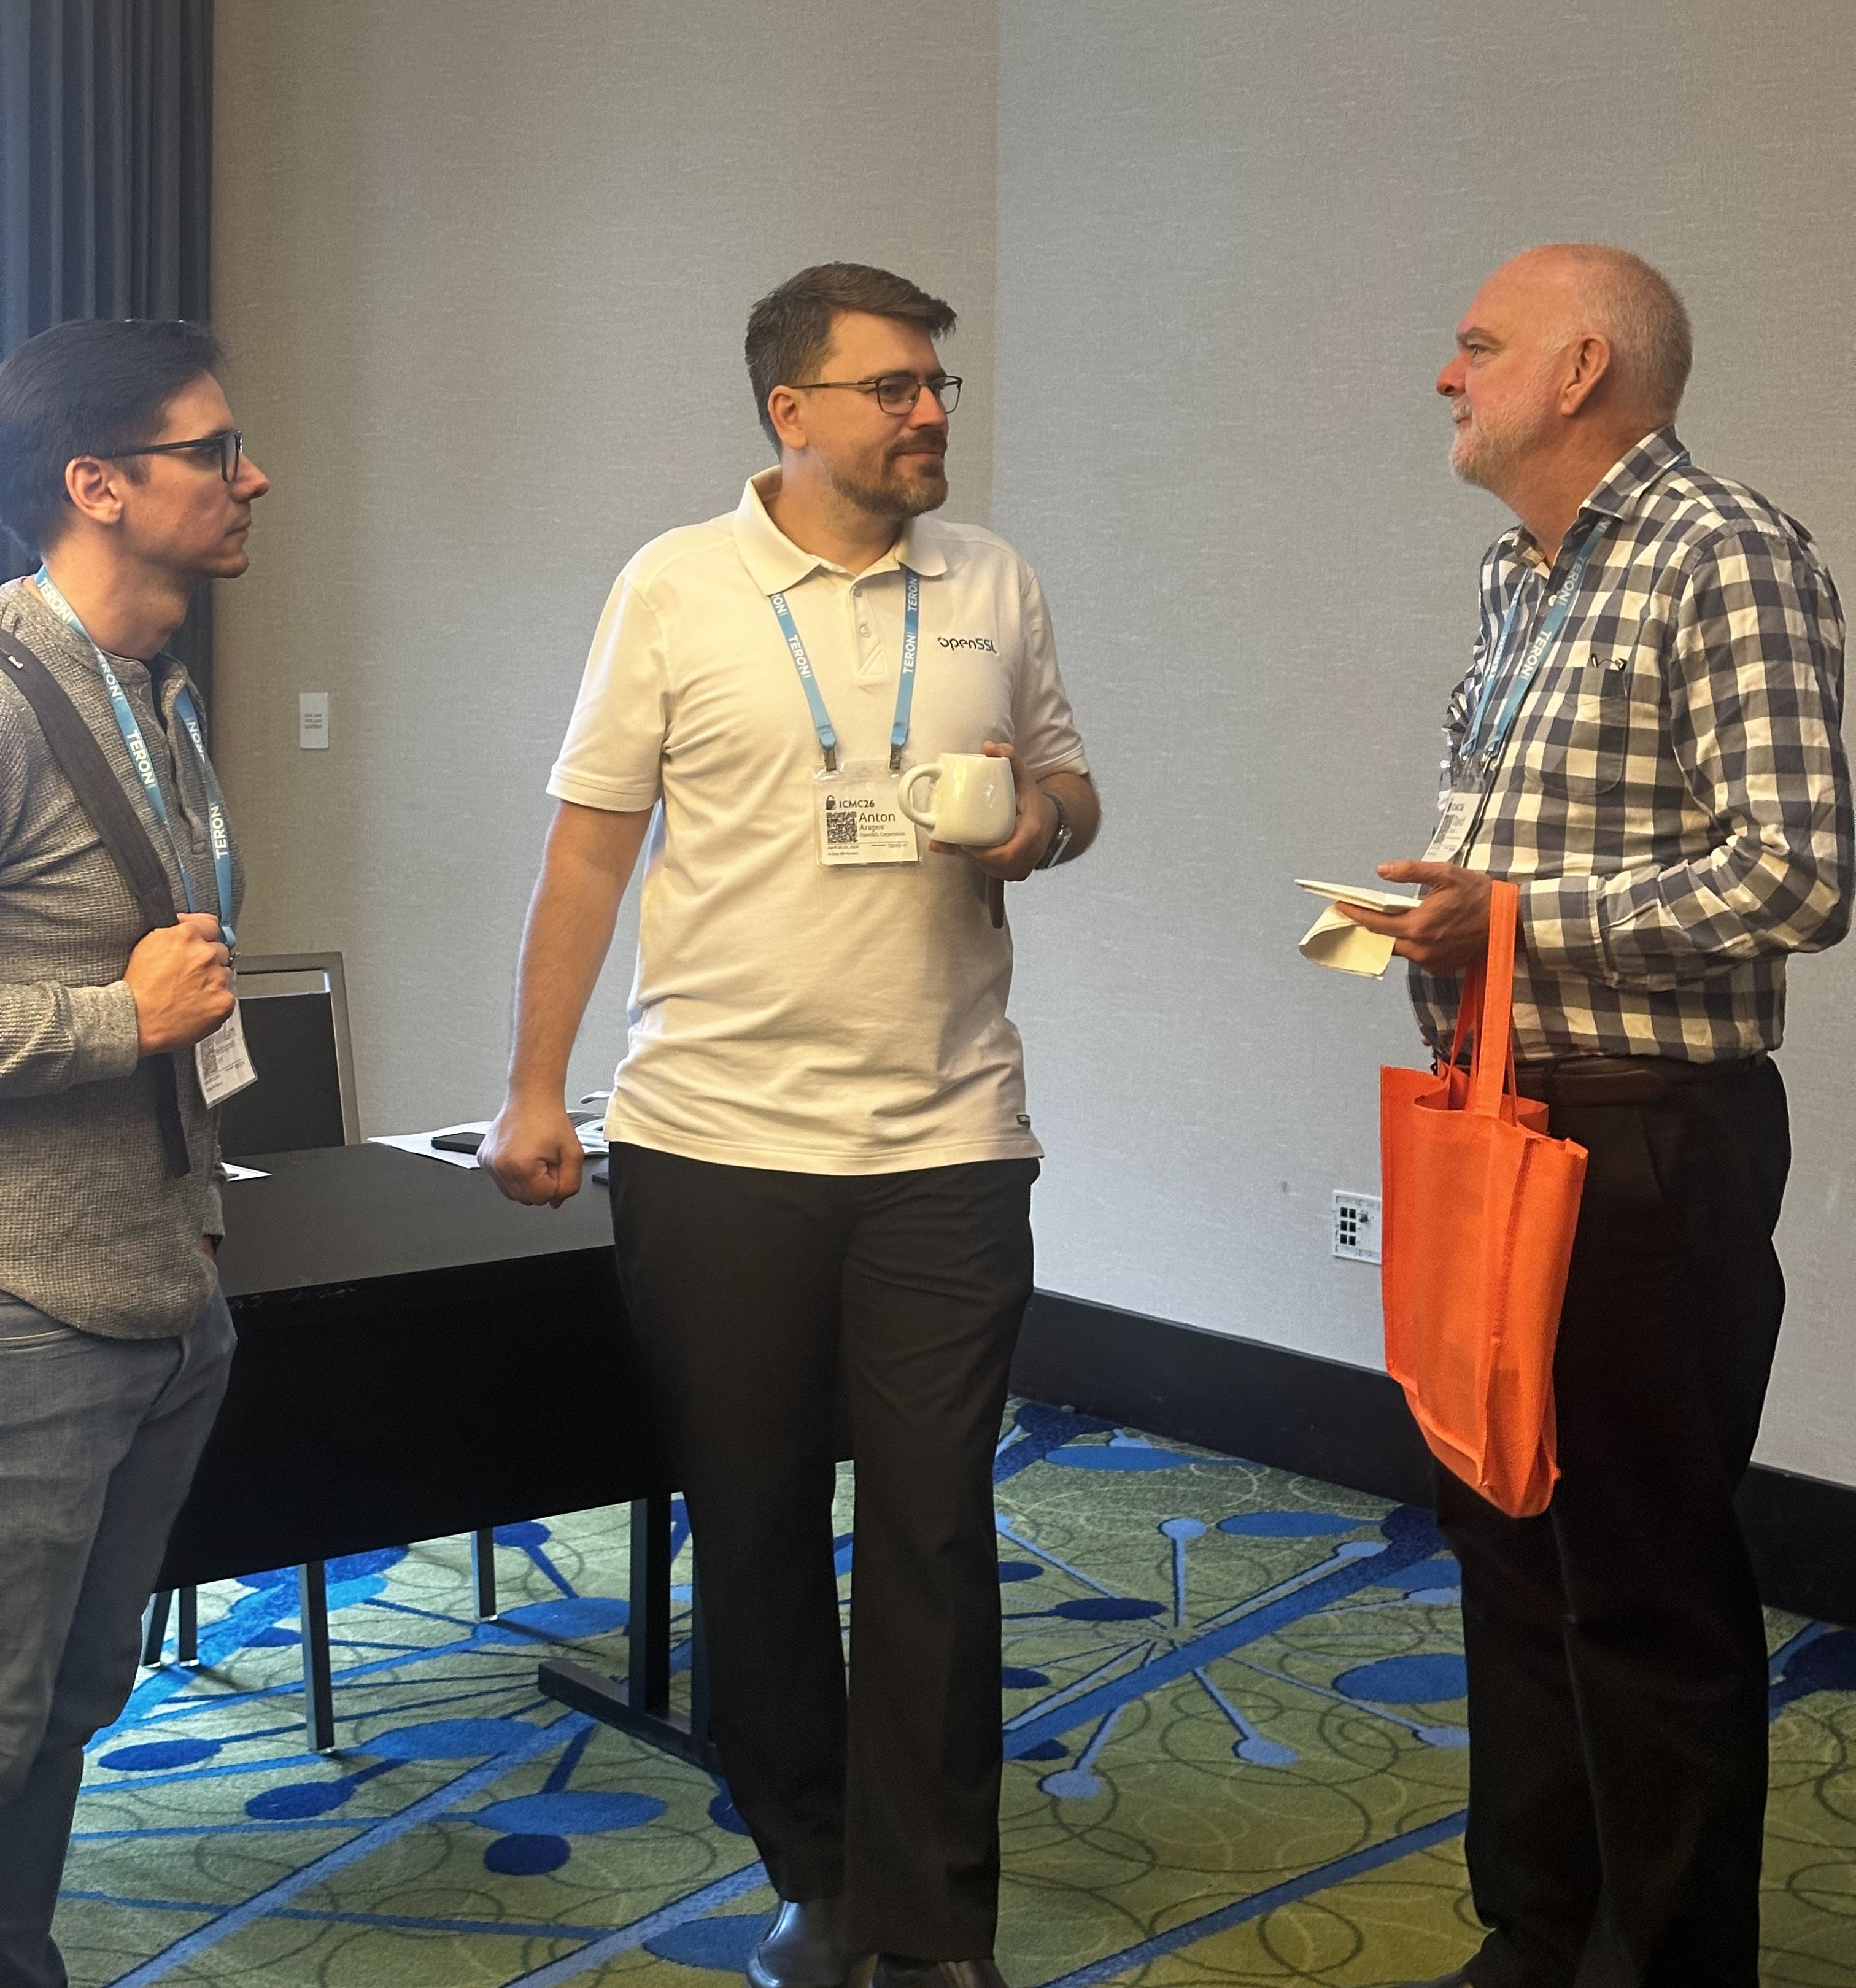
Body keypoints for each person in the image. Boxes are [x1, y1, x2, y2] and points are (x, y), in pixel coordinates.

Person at [483, 261, 1098, 1988]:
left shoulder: (994, 582)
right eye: (895, 387)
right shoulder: (674, 586)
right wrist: (535, 1085)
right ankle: (816, 1875)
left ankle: (931, 1921)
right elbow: (590, 851)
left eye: (939, 386)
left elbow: (1073, 781)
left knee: (934, 1531)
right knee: (751, 1529)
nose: (930, 413)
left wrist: (1040, 823)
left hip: (949, 1142)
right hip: (715, 1141)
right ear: (792, 411)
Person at [1341, 245, 1851, 1988]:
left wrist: (1518, 920)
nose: (1447, 374)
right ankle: (1538, 1935)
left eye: (1476, 345)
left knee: (1639, 1577)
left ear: (1579, 373)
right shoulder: (1520, 575)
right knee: (1504, 1547)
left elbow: (1796, 875)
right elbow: (1526, 853)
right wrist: (1444, 914)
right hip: (1496, 1120)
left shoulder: (1728, 554)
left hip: (1647, 1146)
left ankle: (1666, 1962)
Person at [0, 317, 266, 1988]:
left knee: (73, 1703)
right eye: (213, 452)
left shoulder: (157, 689)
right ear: (97, 484)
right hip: (26, 1309)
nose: (254, 477)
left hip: (166, 1289)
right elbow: (145, 1000)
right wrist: (121, 1020)